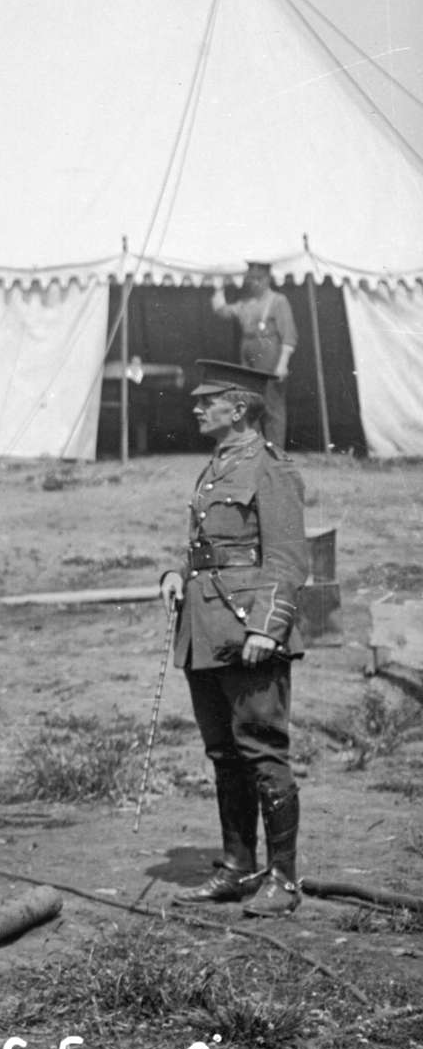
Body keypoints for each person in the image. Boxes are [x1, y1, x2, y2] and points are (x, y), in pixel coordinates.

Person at [166, 360, 307, 915]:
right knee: (224, 752)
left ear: (241, 408)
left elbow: (289, 558)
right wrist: (177, 574)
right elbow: (210, 546)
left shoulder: (269, 468)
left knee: (262, 751)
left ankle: (285, 881)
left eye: (209, 401)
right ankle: (237, 867)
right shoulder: (217, 466)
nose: (197, 408)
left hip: (248, 631)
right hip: (206, 629)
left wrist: (267, 629)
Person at [209, 261, 300, 449]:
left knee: (272, 404)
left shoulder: (278, 300)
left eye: (260, 278)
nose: (255, 283)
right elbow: (223, 311)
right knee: (250, 403)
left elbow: (289, 334)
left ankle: (275, 451)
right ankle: (255, 449)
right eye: (252, 279)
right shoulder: (246, 303)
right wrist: (218, 289)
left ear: (268, 278)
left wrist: (282, 363)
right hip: (247, 353)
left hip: (269, 354)